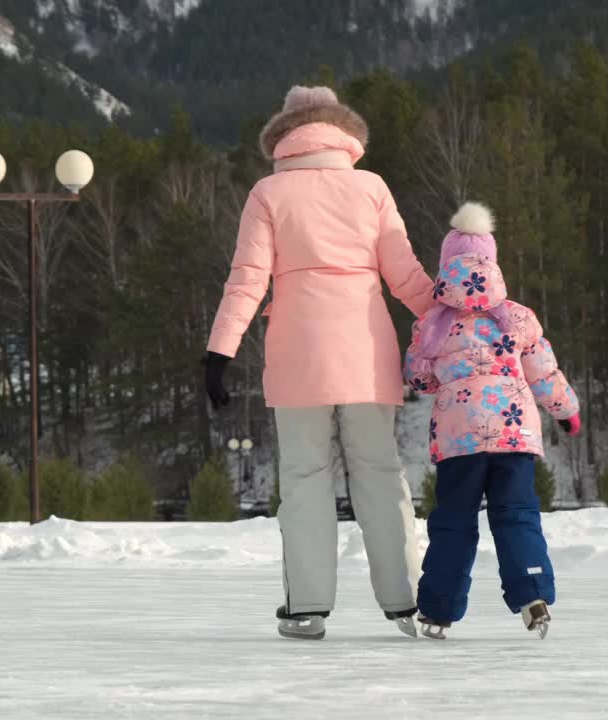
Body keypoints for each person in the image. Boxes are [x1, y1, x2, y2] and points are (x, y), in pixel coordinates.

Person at [204, 85, 437, 640]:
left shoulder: (268, 192)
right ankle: (408, 602)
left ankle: (306, 608)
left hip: (297, 355)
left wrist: (219, 351)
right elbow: (406, 275)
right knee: (380, 473)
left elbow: (247, 280)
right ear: (341, 131)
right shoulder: (371, 187)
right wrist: (455, 325)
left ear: (285, 133)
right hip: (366, 350)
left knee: (305, 478)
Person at [404, 201, 582, 640]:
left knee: (454, 520)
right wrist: (567, 411)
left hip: (458, 441)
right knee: (517, 514)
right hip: (513, 434)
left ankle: (438, 611)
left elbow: (418, 378)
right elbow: (545, 373)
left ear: (446, 268)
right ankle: (533, 594)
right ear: (492, 264)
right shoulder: (519, 318)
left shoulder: (430, 325)